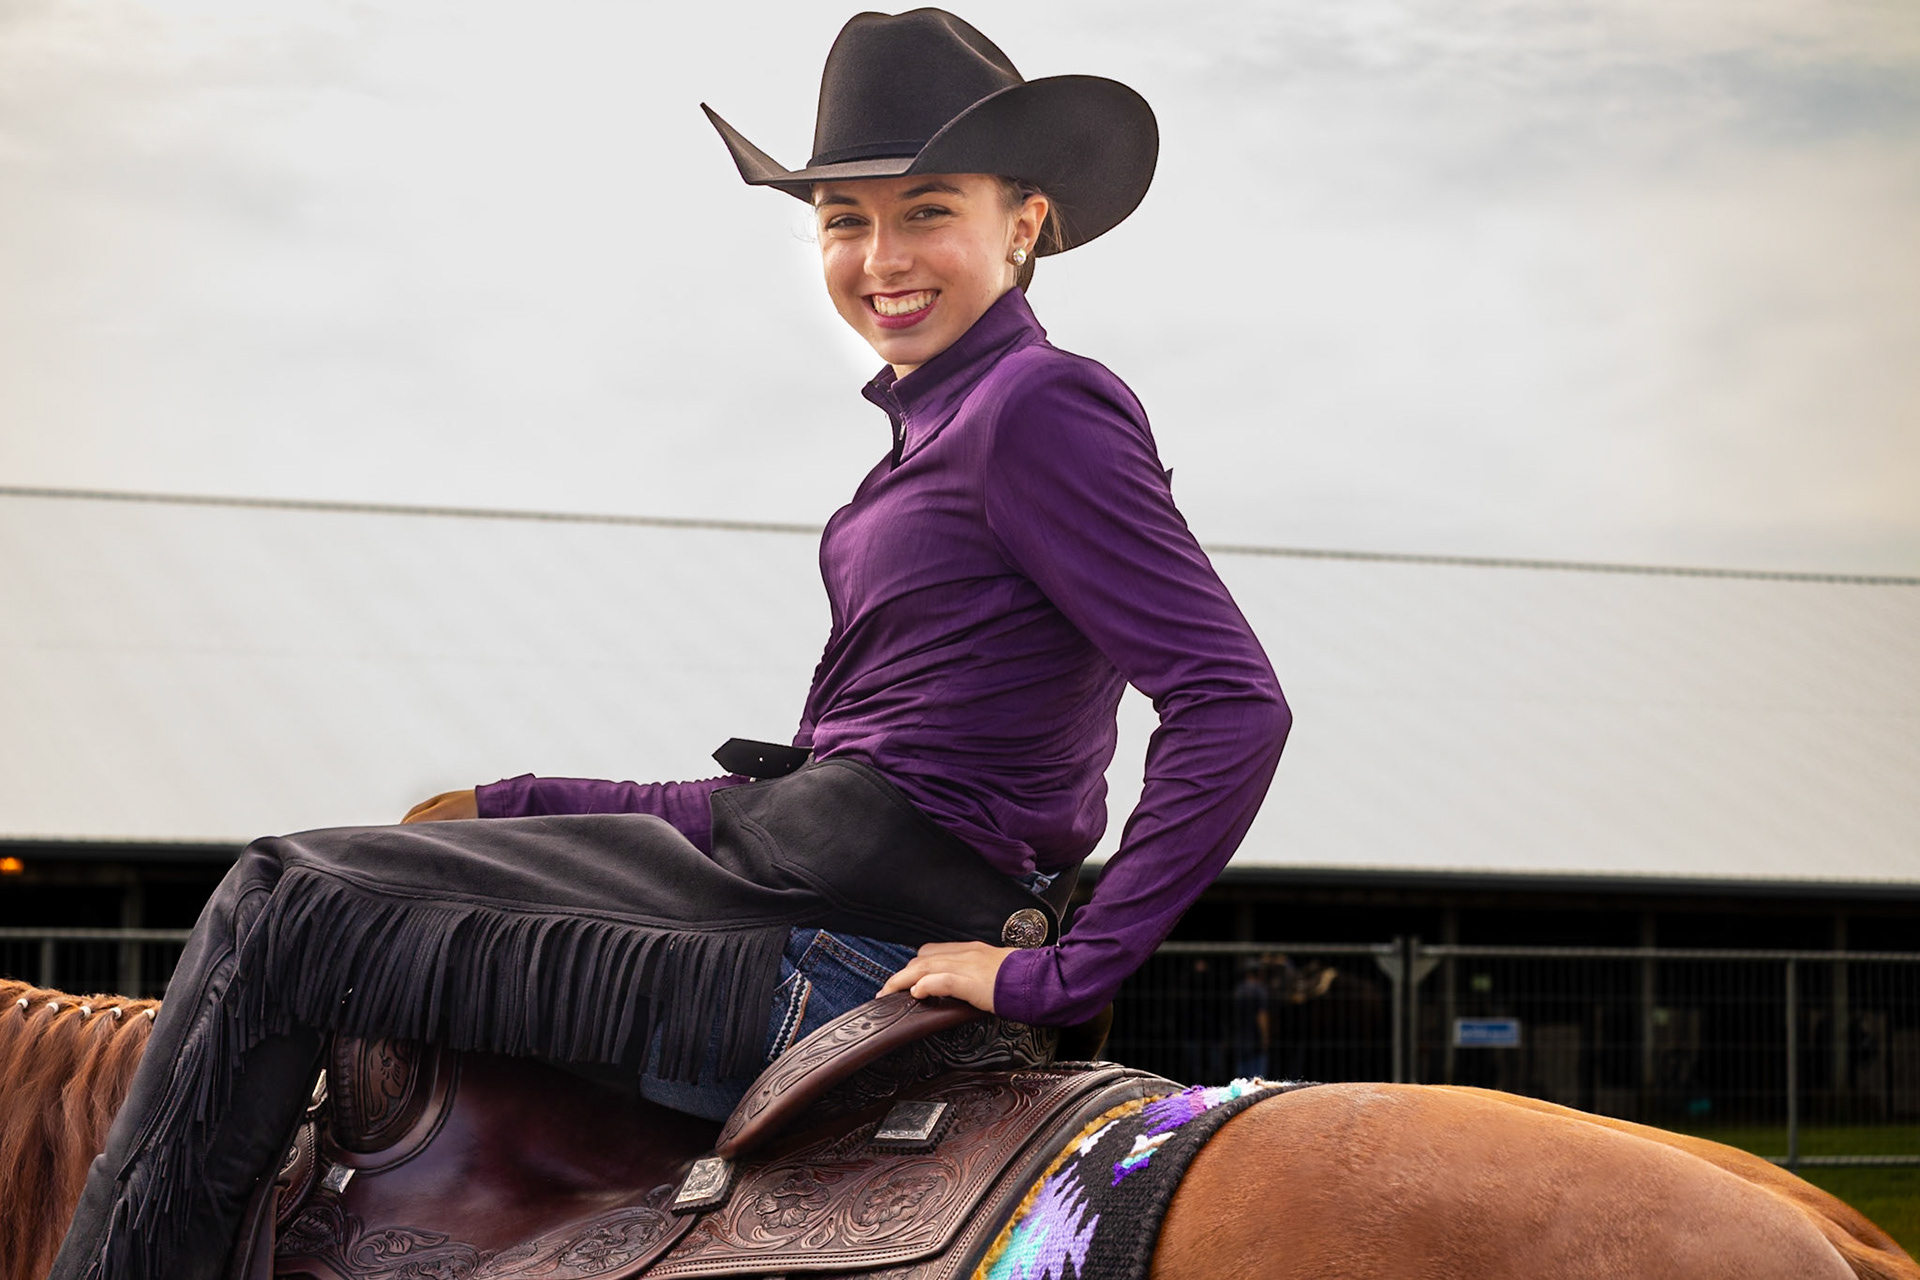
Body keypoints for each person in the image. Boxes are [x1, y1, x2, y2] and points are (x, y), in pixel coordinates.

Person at [51, 11, 1288, 1280]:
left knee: (281, 902)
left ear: (1022, 223)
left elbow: (1232, 702)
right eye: (844, 220)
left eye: (926, 212)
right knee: (348, 876)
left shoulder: (1037, 406)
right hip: (799, 877)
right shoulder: (938, 433)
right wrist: (520, 800)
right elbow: (811, 798)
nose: (881, 258)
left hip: (837, 941)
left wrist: (1060, 973)